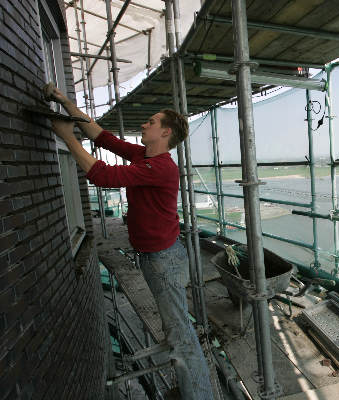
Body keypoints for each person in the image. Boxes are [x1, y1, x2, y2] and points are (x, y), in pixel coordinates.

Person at [43, 83, 214, 400]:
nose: (145, 124)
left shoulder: (158, 167)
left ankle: (199, 395)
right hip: (160, 256)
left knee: (180, 333)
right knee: (176, 329)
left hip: (163, 260)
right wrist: (65, 102)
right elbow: (101, 137)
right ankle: (192, 389)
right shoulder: (143, 155)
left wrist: (66, 137)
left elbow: (104, 176)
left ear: (165, 133)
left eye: (152, 122)